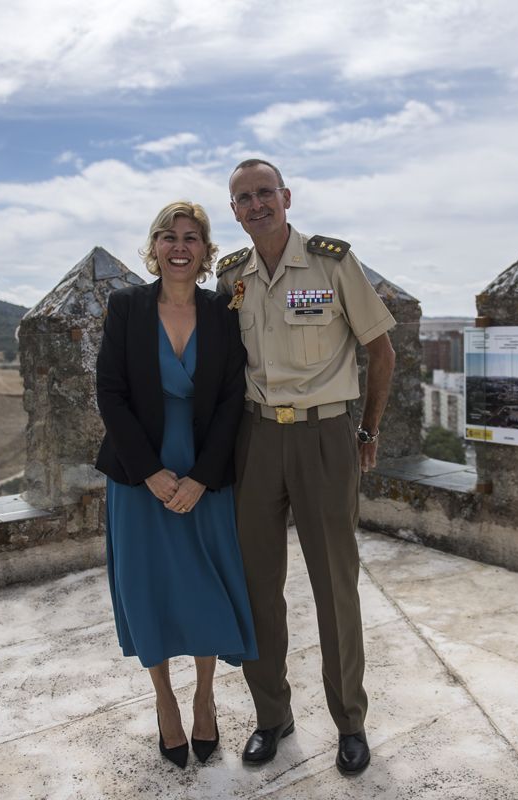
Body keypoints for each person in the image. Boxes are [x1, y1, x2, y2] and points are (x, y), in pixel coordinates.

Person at [216, 159, 396, 775]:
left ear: (286, 197)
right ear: (234, 210)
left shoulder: (333, 262)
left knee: (334, 587)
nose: (256, 204)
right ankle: (273, 716)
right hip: (256, 441)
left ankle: (350, 721)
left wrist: (367, 429)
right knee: (258, 588)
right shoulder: (230, 276)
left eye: (265, 193)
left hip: (325, 437)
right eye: (244, 198)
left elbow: (381, 350)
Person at [94, 200, 257, 769]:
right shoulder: (126, 307)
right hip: (141, 475)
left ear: (206, 251)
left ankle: (205, 696)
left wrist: (202, 477)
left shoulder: (222, 313)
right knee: (151, 587)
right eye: (169, 236)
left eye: (191, 237)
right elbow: (109, 393)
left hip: (205, 472)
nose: (179, 246)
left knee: (206, 583)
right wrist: (152, 473)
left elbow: (235, 398)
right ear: (155, 247)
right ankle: (164, 700)